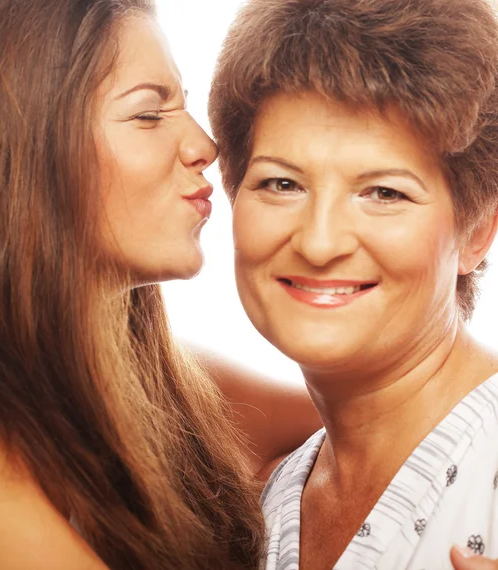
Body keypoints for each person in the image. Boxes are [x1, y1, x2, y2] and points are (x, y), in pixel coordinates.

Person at [0, 1, 322, 568]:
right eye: (149, 114)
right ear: (14, 147)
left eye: (186, 106)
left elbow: (378, 423)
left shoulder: (160, 385)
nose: (205, 146)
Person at [209, 0, 498, 568]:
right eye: (282, 183)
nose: (319, 243)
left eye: (384, 193)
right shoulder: (267, 507)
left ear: (476, 233)